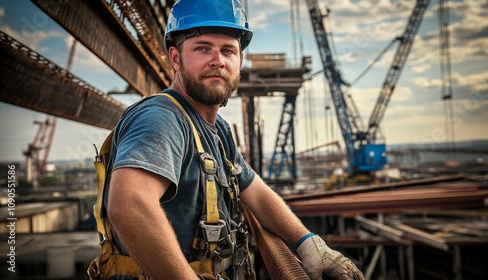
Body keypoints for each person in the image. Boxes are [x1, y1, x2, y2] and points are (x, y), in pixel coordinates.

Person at [94, 0, 365, 279]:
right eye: (202, 48)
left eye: (228, 50)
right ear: (175, 58)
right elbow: (129, 205)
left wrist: (308, 243)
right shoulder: (162, 118)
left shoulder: (218, 130)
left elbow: (256, 192)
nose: (218, 60)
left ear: (240, 61)